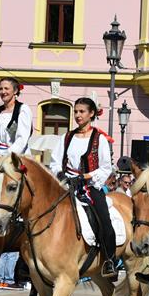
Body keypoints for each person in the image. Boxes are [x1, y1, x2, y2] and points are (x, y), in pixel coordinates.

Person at [50, 97, 119, 279]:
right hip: (66, 186)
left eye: (82, 112)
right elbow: (55, 162)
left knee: (104, 219)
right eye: (76, 111)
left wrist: (85, 177)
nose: (78, 115)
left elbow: (106, 167)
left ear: (91, 114)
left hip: (89, 186)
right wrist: (61, 174)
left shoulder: (100, 139)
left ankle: (109, 260)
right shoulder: (66, 137)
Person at [0, 77, 33, 289]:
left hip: (16, 158)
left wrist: (8, 156)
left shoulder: (23, 110)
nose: (3, 92)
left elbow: (22, 137)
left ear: (15, 91)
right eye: (0, 88)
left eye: (6, 88)